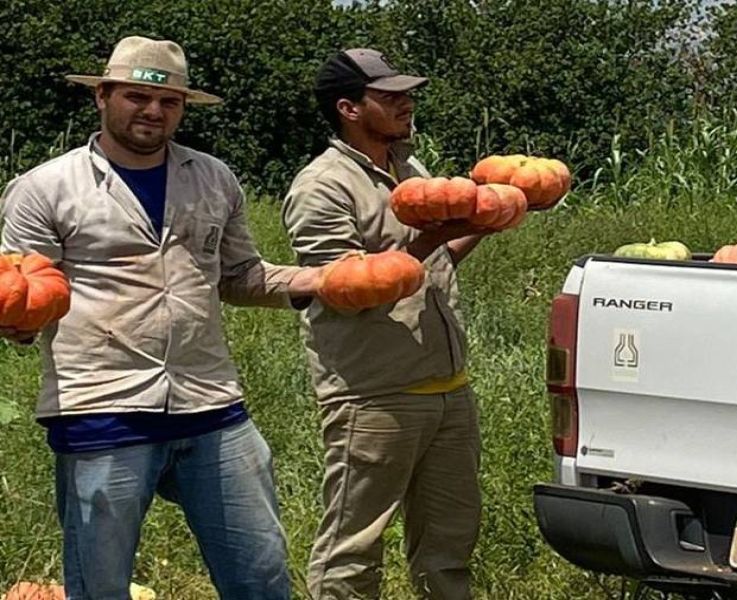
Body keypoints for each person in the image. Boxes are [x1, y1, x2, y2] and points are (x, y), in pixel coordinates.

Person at [0, 36, 326, 599]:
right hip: (102, 408)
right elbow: (24, 289)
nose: (153, 111)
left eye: (169, 101)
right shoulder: (45, 188)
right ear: (102, 96)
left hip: (211, 404)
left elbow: (239, 274)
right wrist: (18, 326)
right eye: (136, 96)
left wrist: (318, 281)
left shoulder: (213, 178)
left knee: (262, 573)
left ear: (181, 108)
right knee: (100, 586)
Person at [281, 48, 496, 600]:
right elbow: (348, 291)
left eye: (407, 92)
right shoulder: (322, 186)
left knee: (449, 546)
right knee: (354, 546)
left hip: (447, 388)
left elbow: (434, 263)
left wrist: (486, 224)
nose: (407, 103)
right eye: (390, 95)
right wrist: (430, 236)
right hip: (374, 395)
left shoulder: (411, 169)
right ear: (349, 108)